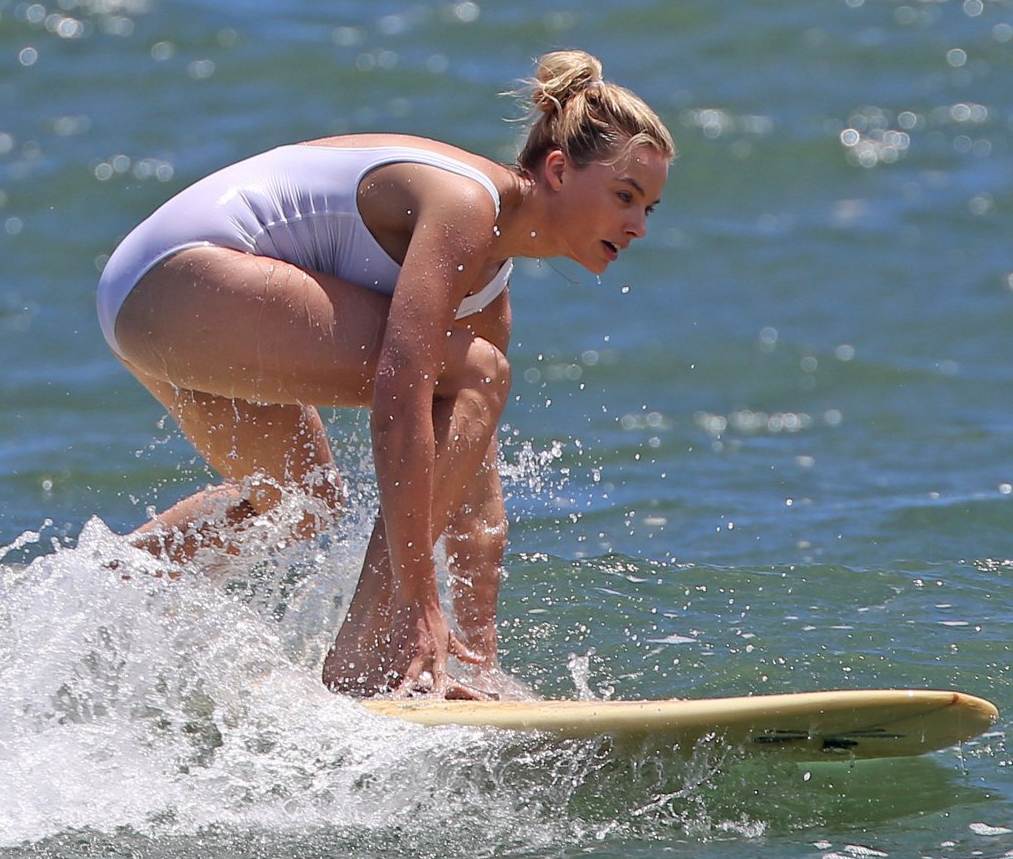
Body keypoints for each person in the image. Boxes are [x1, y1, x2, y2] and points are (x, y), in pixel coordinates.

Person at [96, 51, 674, 699]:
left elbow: (476, 503)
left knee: (301, 501)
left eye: (649, 208)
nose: (638, 227)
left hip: (147, 303)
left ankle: (110, 587)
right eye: (625, 196)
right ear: (560, 171)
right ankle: (366, 659)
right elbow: (400, 402)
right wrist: (421, 606)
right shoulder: (467, 205)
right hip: (178, 275)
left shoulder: (488, 292)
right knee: (478, 373)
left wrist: (482, 663)